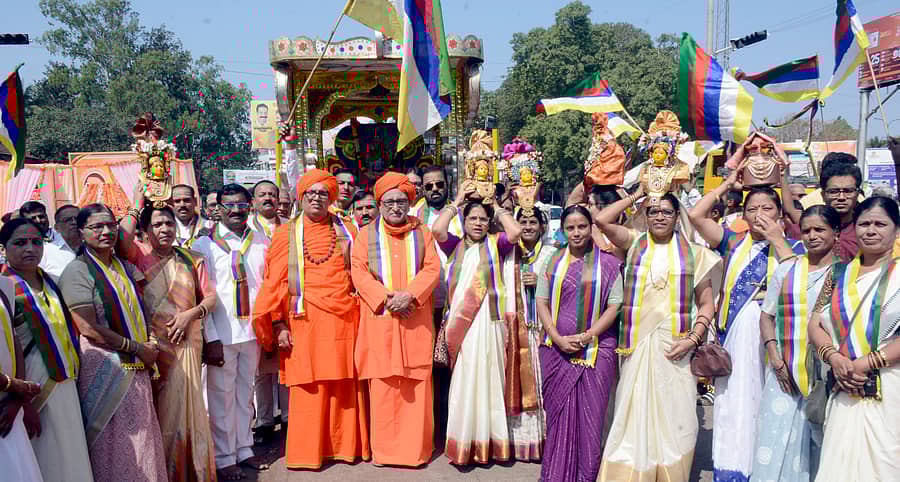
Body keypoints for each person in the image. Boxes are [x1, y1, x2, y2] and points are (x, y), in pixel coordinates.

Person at [593, 189, 720, 481]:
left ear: (678, 217)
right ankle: (630, 471)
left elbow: (706, 304)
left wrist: (693, 339)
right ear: (645, 216)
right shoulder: (634, 242)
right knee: (633, 410)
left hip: (678, 346)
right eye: (653, 211)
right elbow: (602, 219)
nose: (660, 216)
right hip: (638, 345)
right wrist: (639, 193)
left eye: (666, 211)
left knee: (679, 414)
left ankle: (669, 472)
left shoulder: (697, 255)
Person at [689, 168, 805, 482]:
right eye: (751, 209)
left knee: (768, 402)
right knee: (734, 404)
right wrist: (729, 182)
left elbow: (798, 282)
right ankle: (731, 471)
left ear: (781, 214)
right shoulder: (733, 243)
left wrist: (777, 240)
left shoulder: (794, 248)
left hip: (776, 338)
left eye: (767, 208)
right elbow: (696, 215)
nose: (759, 215)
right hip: (737, 337)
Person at [252, 169, 369, 470]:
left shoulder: (347, 229)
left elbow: (358, 272)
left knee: (343, 382)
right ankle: (308, 452)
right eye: (311, 193)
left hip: (344, 318)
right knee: (309, 385)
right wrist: (277, 325)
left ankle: (344, 447)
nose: (317, 198)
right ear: (301, 197)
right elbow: (274, 282)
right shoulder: (284, 233)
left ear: (331, 197)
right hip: (303, 320)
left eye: (323, 193)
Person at [58, 203, 167, 482]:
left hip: (137, 362)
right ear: (81, 232)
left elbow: (142, 310)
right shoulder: (77, 271)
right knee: (115, 440)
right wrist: (137, 348)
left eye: (110, 225)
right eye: (97, 227)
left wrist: (150, 342)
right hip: (104, 364)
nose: (106, 231)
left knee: (144, 437)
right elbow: (87, 327)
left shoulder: (124, 266)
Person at [118, 202, 218, 482]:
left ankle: (191, 471)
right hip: (151, 350)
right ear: (145, 230)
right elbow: (122, 239)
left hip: (186, 344)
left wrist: (190, 315)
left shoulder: (191, 259)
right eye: (157, 225)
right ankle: (161, 472)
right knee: (157, 413)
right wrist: (135, 206)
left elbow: (210, 297)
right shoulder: (138, 256)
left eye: (169, 224)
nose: (164, 229)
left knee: (188, 410)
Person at [350, 172, 440, 466]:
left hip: (414, 319)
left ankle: (416, 451)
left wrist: (411, 295)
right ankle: (385, 452)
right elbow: (359, 272)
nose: (395, 207)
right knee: (384, 386)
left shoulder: (422, 232)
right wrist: (388, 299)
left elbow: (432, 269)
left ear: (409, 202)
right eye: (389, 201)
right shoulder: (366, 235)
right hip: (381, 322)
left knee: (416, 384)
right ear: (379, 204)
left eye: (401, 200)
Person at [808, 196, 900, 481]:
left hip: (889, 386)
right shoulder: (838, 273)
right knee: (839, 465)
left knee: (886, 465)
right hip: (844, 385)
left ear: (896, 230)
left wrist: (866, 363)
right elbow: (814, 323)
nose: (870, 230)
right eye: (864, 224)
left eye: (880, 224)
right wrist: (834, 358)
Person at [431, 188, 522, 465]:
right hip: (463, 327)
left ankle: (491, 443)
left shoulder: (498, 244)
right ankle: (463, 442)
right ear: (465, 221)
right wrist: (456, 202)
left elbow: (516, 233)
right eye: (473, 219)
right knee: (464, 380)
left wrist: (494, 204)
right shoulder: (455, 245)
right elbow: (437, 230)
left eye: (483, 219)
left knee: (490, 377)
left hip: (490, 323)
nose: (479, 223)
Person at [752, 205, 840, 481]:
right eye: (806, 230)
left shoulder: (845, 275)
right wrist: (775, 359)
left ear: (836, 233)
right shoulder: (787, 269)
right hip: (783, 373)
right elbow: (766, 317)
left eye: (819, 230)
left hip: (824, 375)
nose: (812, 236)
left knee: (821, 445)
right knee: (773, 440)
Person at [1, 218, 93, 482]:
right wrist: (21, 400)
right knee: (45, 460)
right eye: (20, 243)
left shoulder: (53, 282)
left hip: (66, 386)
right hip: (31, 391)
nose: (30, 248)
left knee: (72, 457)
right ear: (4, 247)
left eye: (36, 242)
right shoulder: (5, 288)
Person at [535, 205, 622, 481]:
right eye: (570, 228)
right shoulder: (553, 261)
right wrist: (556, 335)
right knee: (558, 418)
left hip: (596, 351)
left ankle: (586, 475)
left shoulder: (608, 264)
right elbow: (541, 300)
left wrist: (589, 335)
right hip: (556, 350)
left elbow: (615, 305)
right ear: (562, 231)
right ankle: (556, 474)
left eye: (582, 226)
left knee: (590, 420)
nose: (576, 233)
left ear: (591, 228)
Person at [191, 184, 270, 480]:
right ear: (217, 209)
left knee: (245, 392)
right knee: (220, 397)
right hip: (221, 333)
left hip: (251, 331)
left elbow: (266, 286)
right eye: (229, 205)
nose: (236, 210)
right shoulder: (203, 246)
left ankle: (244, 448)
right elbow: (201, 296)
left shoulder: (261, 241)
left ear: (249, 206)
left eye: (241, 204)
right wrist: (209, 338)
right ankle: (224, 456)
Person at [411, 165, 461, 444]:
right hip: (426, 303)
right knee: (429, 365)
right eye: (428, 186)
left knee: (453, 366)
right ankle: (431, 426)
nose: (434, 190)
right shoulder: (413, 216)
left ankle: (451, 424)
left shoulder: (462, 215)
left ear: (447, 184)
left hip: (457, 301)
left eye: (439, 185)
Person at [501, 208, 554, 461]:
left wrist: (542, 283)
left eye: (534, 222)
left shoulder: (553, 253)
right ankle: (521, 442)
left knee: (544, 384)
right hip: (517, 327)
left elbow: (565, 284)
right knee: (517, 380)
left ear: (543, 227)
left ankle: (547, 441)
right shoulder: (508, 252)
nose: (529, 226)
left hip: (544, 330)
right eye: (523, 221)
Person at [246, 180, 287, 443]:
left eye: (272, 194)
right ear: (254, 200)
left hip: (285, 302)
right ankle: (263, 420)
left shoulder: (291, 226)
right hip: (257, 303)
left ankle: (287, 418)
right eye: (263, 195)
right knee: (261, 369)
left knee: (285, 364)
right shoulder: (246, 229)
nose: (268, 198)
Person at [0, 274, 43, 482]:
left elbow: (14, 339)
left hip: (8, 408)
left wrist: (19, 398)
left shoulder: (4, 284)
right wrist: (13, 385)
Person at [819, 159, 863, 262]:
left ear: (857, 194)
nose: (841, 197)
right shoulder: (811, 229)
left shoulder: (866, 230)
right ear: (823, 195)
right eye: (834, 191)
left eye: (848, 191)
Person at [39, 204, 81, 279]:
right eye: (67, 220)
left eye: (77, 219)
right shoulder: (45, 251)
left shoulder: (93, 247)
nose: (74, 222)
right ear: (56, 227)